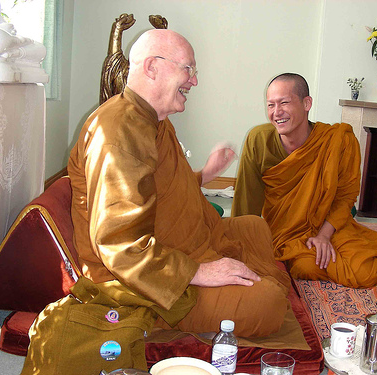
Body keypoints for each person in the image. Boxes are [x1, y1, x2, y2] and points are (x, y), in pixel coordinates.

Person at [67, 29, 291, 337]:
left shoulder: (151, 119)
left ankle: (227, 281)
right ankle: (170, 317)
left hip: (185, 243)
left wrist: (204, 175)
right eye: (188, 68)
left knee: (255, 227)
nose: (194, 80)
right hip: (138, 279)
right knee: (267, 304)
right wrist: (201, 271)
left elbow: (161, 187)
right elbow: (119, 245)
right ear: (152, 67)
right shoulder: (116, 132)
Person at [232, 73, 377, 288]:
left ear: (306, 103)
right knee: (306, 267)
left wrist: (323, 236)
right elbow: (246, 198)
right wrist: (240, 246)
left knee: (365, 271)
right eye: (270, 105)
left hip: (328, 224)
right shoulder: (259, 140)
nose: (276, 112)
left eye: (284, 102)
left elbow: (345, 197)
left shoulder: (337, 141)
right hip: (286, 231)